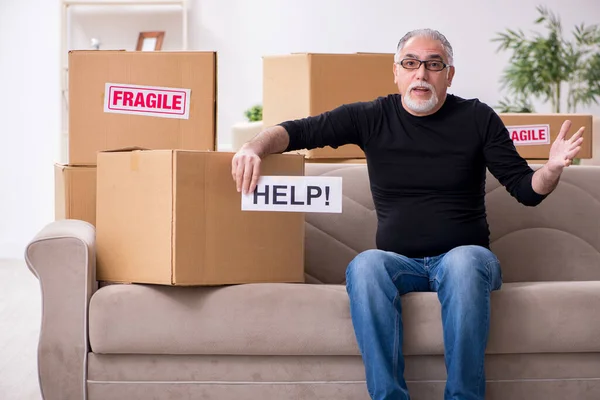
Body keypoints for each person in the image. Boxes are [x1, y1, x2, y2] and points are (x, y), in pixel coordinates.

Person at [231, 28, 584, 400]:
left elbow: (527, 190)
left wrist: (552, 169)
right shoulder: (371, 116)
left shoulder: (477, 117)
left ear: (449, 74)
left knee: (464, 261)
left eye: (434, 65)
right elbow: (297, 131)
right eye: (411, 63)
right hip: (400, 264)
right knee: (366, 265)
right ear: (396, 72)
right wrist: (253, 149)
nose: (421, 74)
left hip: (466, 261)